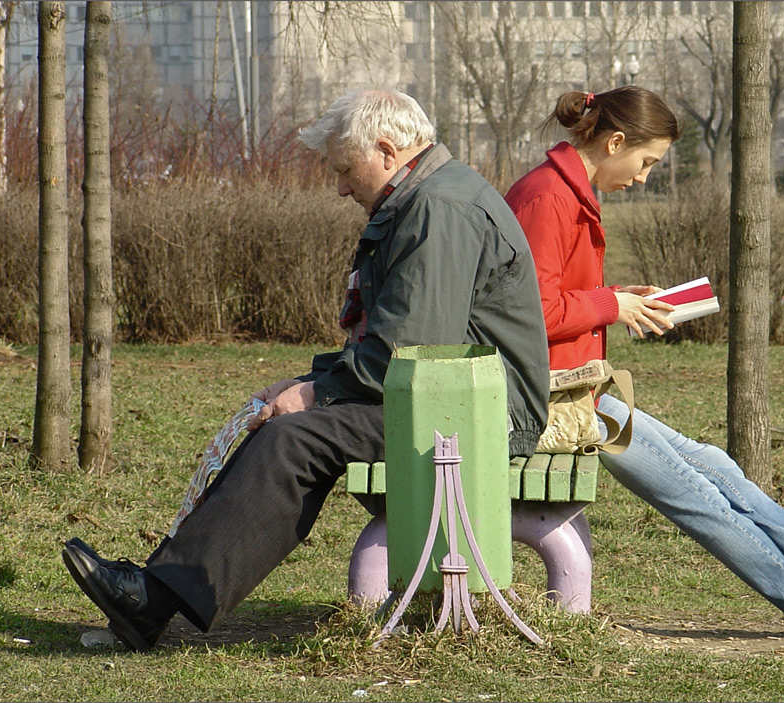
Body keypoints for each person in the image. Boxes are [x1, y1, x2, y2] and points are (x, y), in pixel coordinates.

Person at [61, 89, 551, 652]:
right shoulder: (430, 197)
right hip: (452, 398)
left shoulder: (439, 209)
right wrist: (308, 382)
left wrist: (317, 393)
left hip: (480, 419)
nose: (340, 186)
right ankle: (160, 593)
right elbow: (407, 345)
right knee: (291, 424)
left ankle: (157, 597)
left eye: (346, 169)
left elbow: (406, 350)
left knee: (293, 438)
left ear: (388, 152)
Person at [504, 86, 784, 635]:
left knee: (710, 463)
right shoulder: (548, 197)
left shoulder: (562, 190)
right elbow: (525, 312)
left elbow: (548, 293)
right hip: (548, 401)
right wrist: (610, 304)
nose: (643, 177)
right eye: (646, 162)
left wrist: (620, 296)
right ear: (615, 141)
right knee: (694, 495)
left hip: (573, 390)